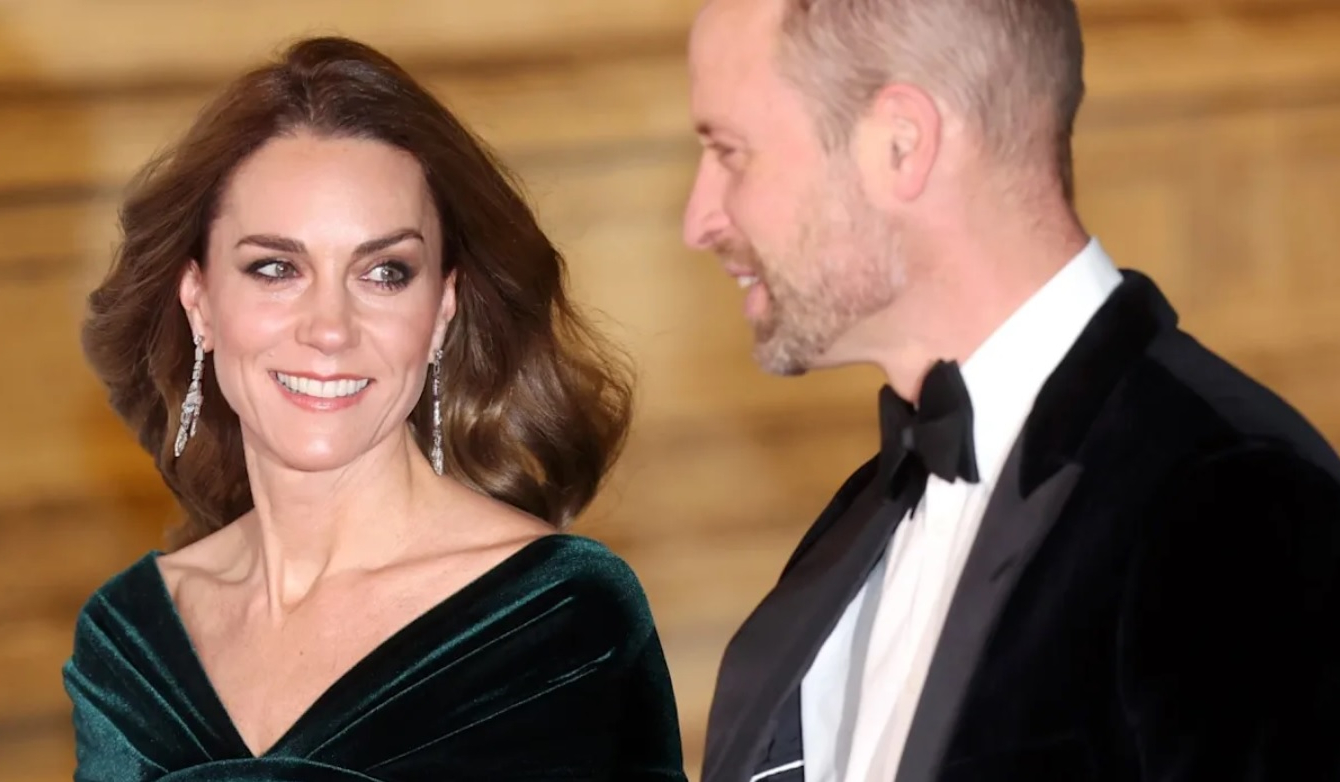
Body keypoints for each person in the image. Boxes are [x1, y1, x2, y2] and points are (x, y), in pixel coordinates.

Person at [682, 0, 1340, 780]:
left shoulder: (1235, 497)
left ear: (901, 144)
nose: (699, 220)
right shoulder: (864, 520)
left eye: (731, 153)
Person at [64, 35, 687, 782]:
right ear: (198, 301)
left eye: (385, 273)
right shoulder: (128, 644)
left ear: (444, 307)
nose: (329, 328)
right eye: (275, 268)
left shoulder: (558, 621)